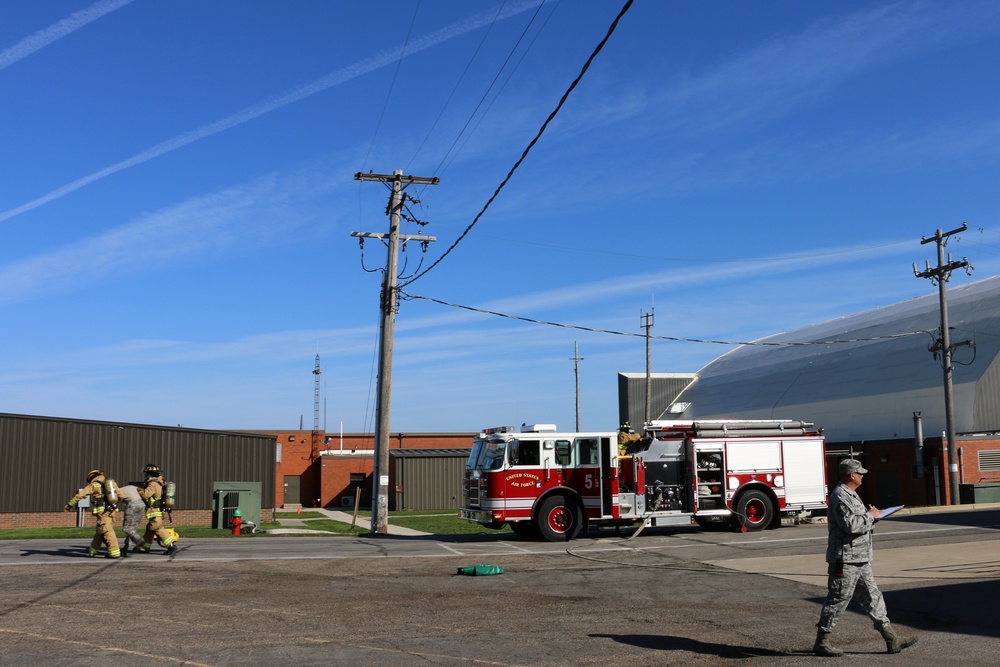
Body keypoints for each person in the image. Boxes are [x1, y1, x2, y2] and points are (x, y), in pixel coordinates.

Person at [814, 459, 917, 656]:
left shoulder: (852, 495)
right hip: (845, 560)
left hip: (860, 558)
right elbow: (851, 526)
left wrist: (873, 517)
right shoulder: (840, 496)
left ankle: (891, 638)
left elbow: (858, 524)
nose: (863, 475)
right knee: (837, 599)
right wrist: (870, 516)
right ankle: (822, 641)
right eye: (860, 473)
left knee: (873, 597)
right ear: (851, 475)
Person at [63, 469, 122, 558]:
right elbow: (121, 496)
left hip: (103, 512)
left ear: (91, 477)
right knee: (100, 531)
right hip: (112, 511)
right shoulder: (112, 484)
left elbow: (80, 495)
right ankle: (93, 550)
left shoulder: (94, 485)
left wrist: (69, 505)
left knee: (107, 530)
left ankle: (114, 552)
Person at [136, 464, 178, 555]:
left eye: (146, 474)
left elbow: (146, 495)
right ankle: (144, 547)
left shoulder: (153, 484)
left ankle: (170, 545)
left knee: (157, 528)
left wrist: (139, 490)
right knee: (150, 529)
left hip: (154, 510)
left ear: (149, 474)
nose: (146, 476)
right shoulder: (161, 482)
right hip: (158, 510)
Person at [117, 483, 147, 557]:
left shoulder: (117, 491)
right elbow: (141, 490)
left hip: (132, 504)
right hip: (141, 505)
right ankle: (125, 548)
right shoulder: (132, 487)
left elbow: (114, 500)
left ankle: (139, 540)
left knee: (126, 528)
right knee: (132, 528)